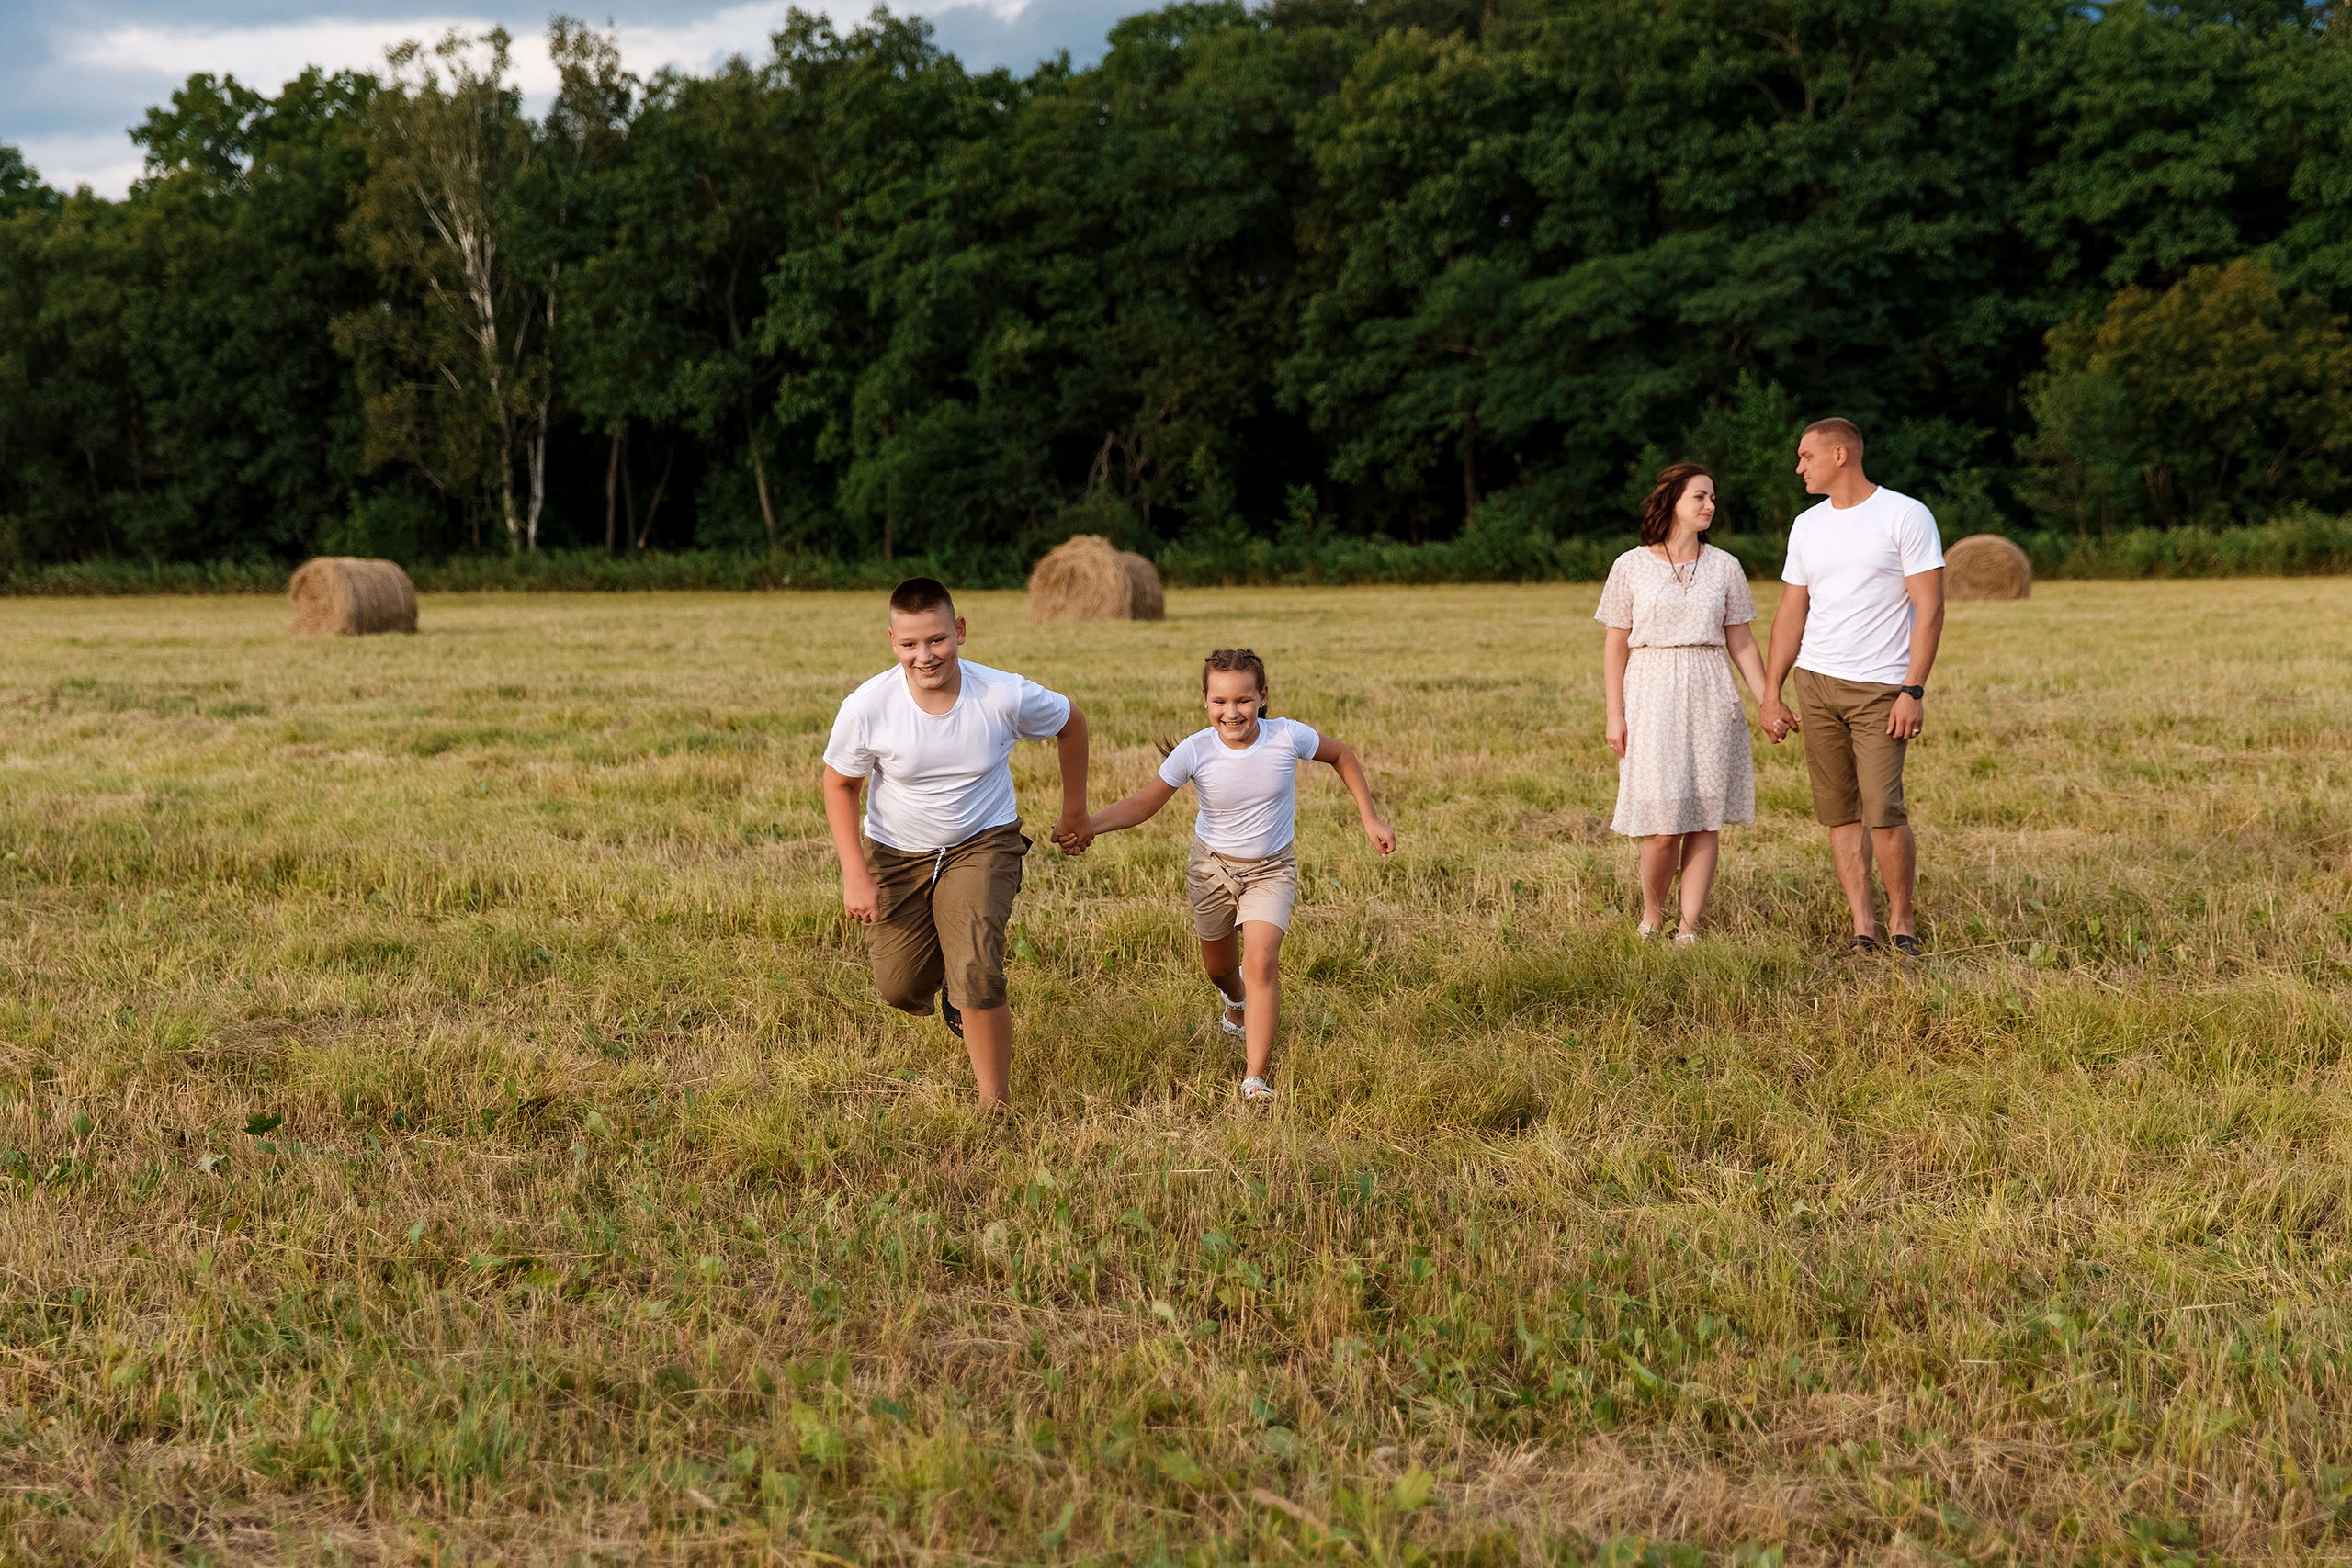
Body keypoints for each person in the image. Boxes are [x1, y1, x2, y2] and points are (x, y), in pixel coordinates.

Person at [820, 577, 1092, 1105]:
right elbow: (840, 783)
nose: (926, 655)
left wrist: (1075, 809)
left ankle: (995, 1106)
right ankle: (952, 988)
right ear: (893, 642)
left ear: (960, 632)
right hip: (897, 853)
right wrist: (855, 874)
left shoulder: (1003, 695)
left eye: (937, 640)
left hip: (982, 842)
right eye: (910, 644)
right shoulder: (868, 706)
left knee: (976, 966)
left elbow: (1071, 723)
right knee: (899, 987)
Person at [1083, 649, 1395, 1102]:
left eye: (1243, 701)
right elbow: (1142, 804)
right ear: (1206, 701)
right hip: (1212, 868)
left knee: (1262, 961)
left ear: (1262, 697)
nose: (1232, 713)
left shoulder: (1287, 737)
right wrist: (1088, 825)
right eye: (1220, 702)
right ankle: (1235, 1001)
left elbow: (1342, 755)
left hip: (1272, 869)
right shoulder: (1195, 750)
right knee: (1220, 968)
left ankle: (1255, 1077)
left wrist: (1371, 819)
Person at [1758, 418, 1946, 956]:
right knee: (1839, 811)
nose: (1799, 467)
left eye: (1805, 457)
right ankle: (1863, 927)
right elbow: (1792, 610)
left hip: (1881, 688)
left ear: (1840, 455)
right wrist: (1772, 692)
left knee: (1884, 810)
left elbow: (1930, 610)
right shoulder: (1806, 526)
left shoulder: (1905, 515)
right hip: (1815, 683)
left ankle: (1902, 923)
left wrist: (1914, 690)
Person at [1597, 464, 1772, 944]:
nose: (1709, 505)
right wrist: (1616, 714)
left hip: (1710, 688)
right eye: (1699, 497)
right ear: (1673, 500)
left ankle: (1689, 927)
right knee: (1662, 824)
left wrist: (1767, 700)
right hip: (1651, 692)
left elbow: (1741, 641)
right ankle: (1652, 917)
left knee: (1703, 818)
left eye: (1712, 497)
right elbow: (1616, 644)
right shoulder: (1629, 566)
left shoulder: (1726, 566)